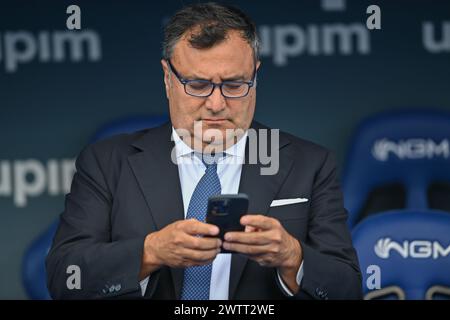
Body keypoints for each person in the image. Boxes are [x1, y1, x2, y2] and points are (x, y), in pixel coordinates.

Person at [46, 2, 362, 300]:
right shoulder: (106, 162)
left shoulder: (310, 164)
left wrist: (294, 257)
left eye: (235, 85)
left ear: (255, 77)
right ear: (168, 78)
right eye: (197, 85)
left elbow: (347, 287)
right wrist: (150, 252)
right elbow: (65, 278)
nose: (216, 104)